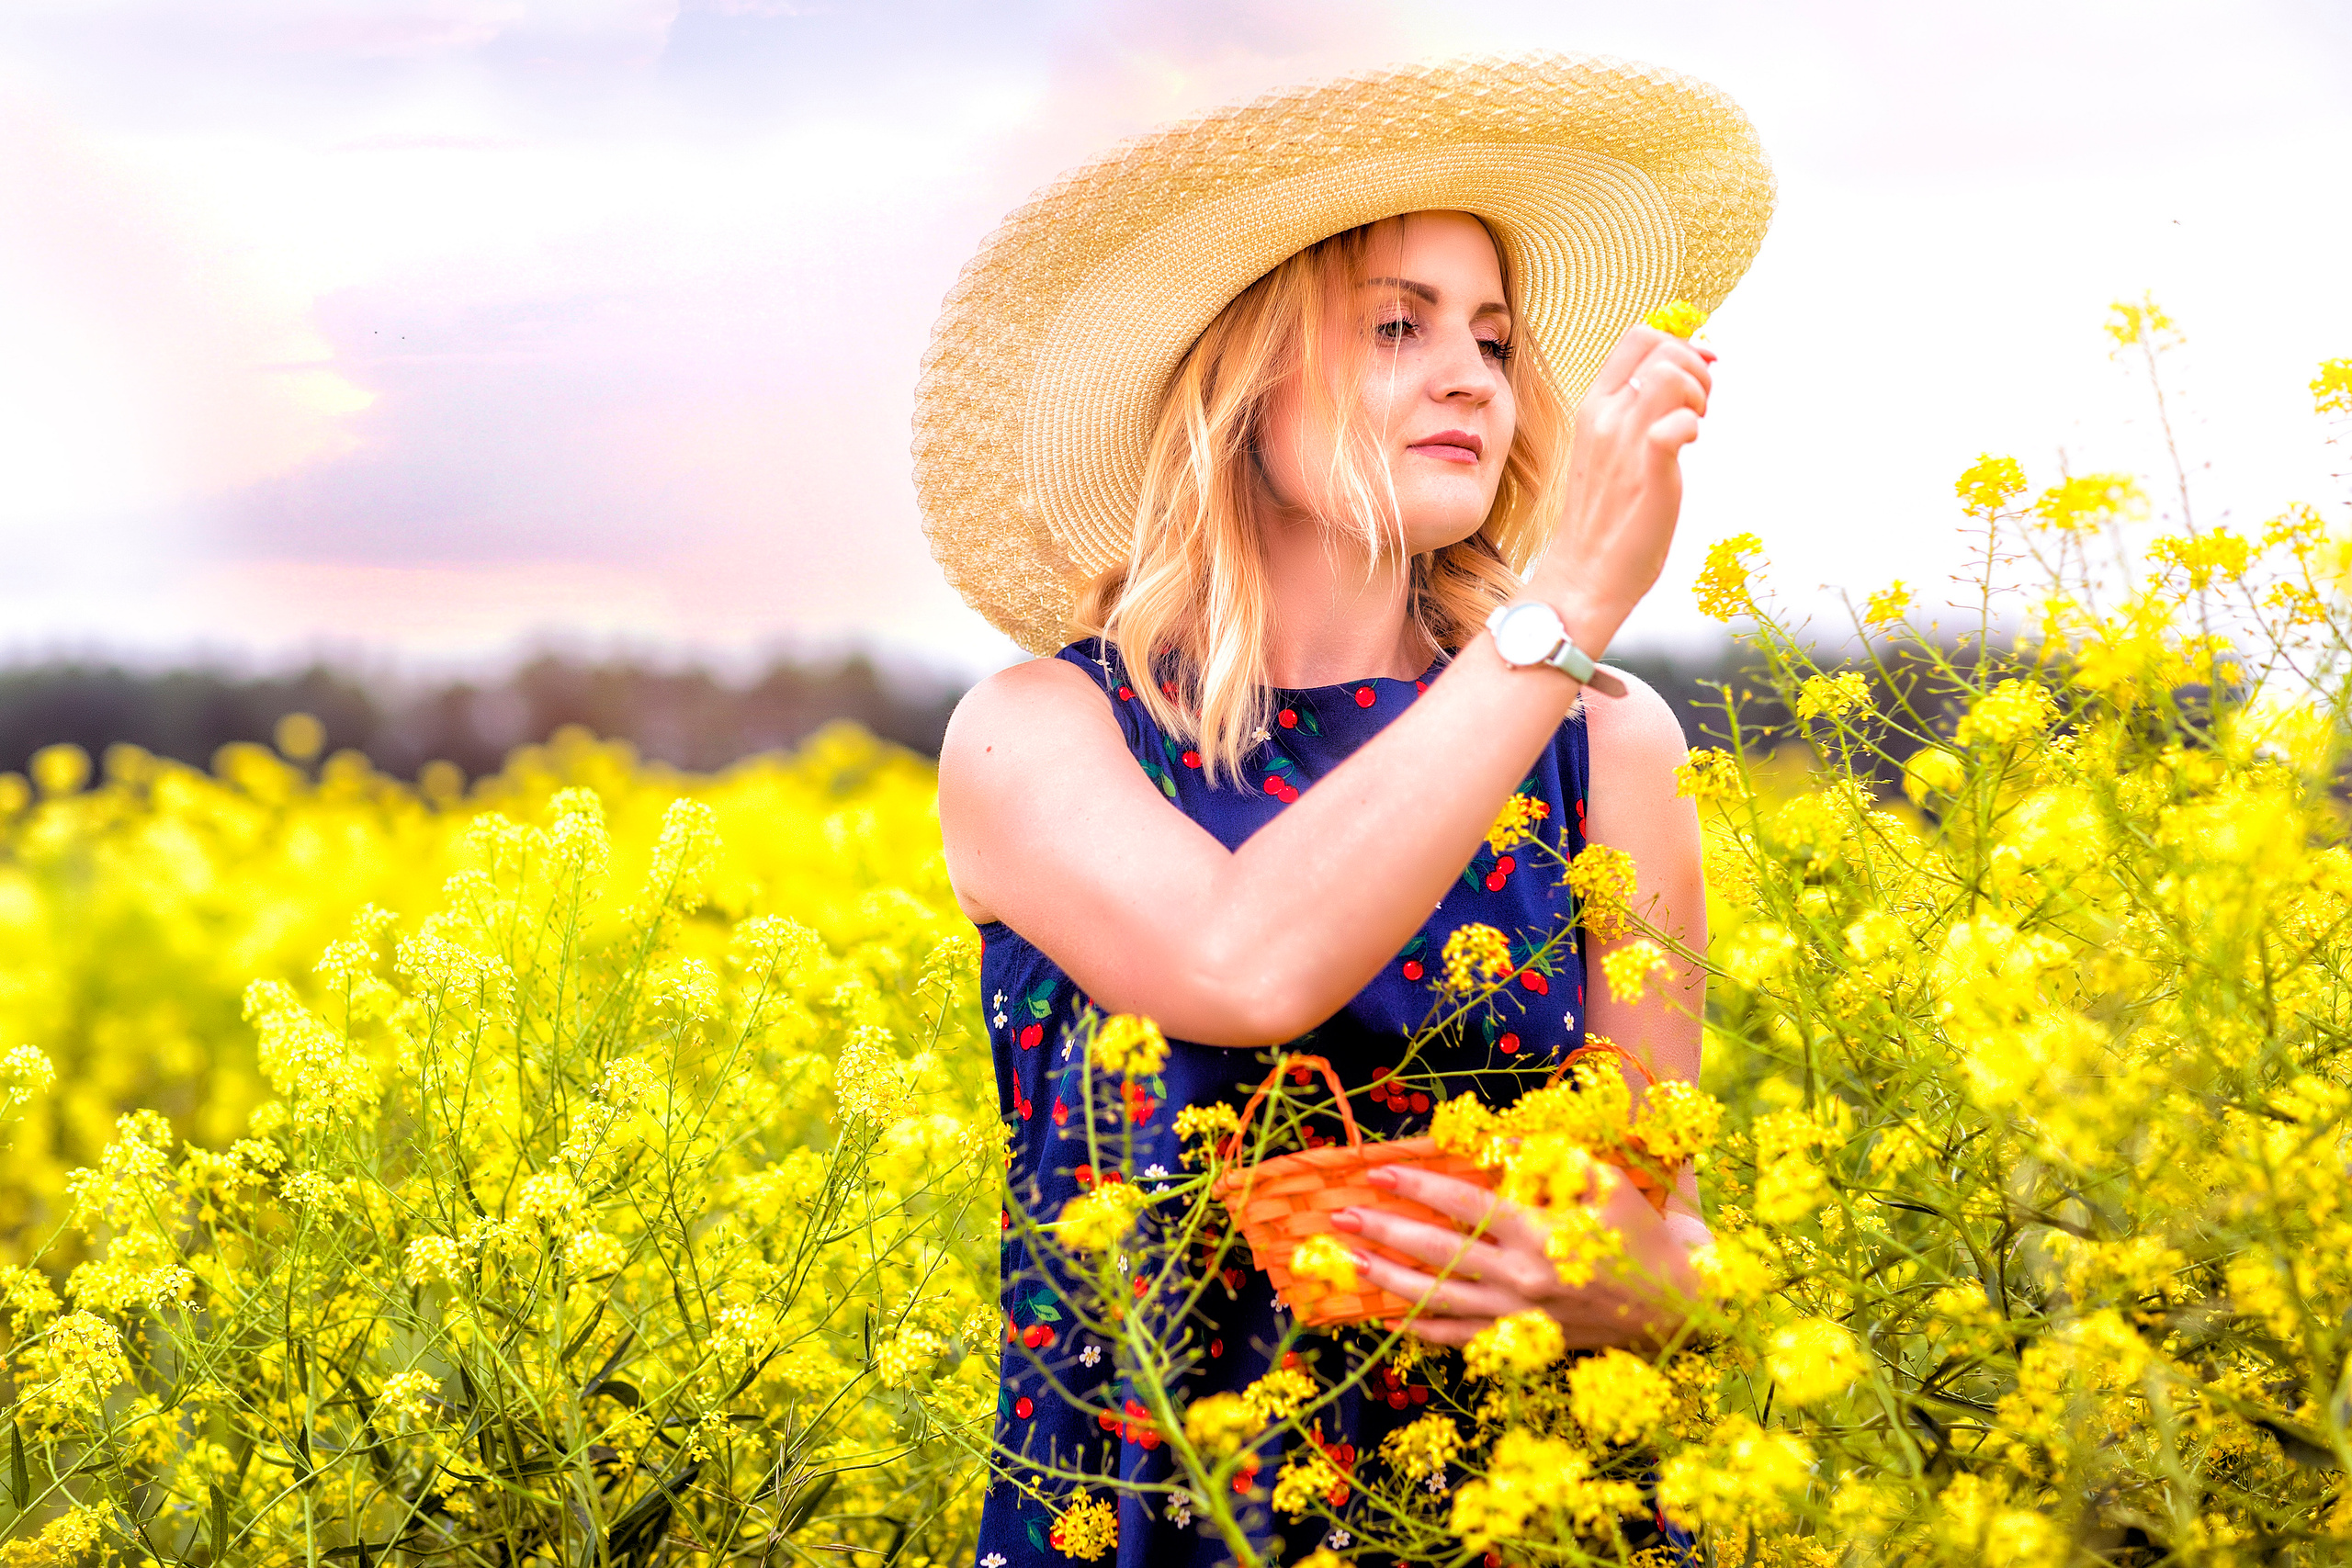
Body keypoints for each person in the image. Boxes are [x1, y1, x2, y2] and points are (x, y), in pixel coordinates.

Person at [913, 52, 1773, 1565]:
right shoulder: (1041, 733)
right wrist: (1566, 605)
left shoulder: (1605, 748)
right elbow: (1243, 965)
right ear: (1240, 381)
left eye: (1494, 340)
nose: (1473, 378)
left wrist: (1614, 1279)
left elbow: (1679, 1239)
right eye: (1397, 325)